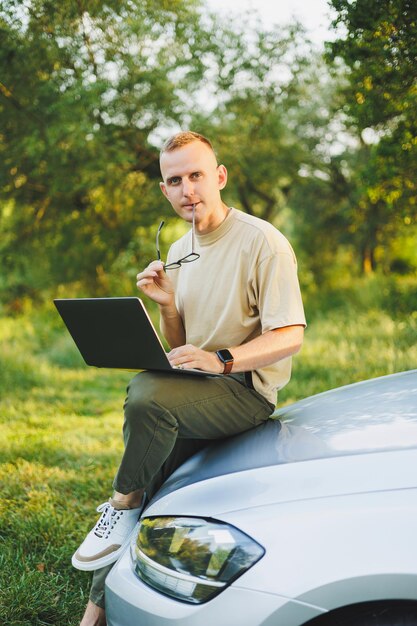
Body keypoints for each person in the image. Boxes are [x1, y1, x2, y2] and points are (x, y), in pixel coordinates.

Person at [76, 130, 306, 626]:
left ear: (219, 176)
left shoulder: (263, 241)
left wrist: (221, 359)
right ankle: (94, 612)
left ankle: (120, 502)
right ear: (164, 190)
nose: (187, 190)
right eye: (174, 180)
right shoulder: (179, 248)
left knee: (144, 395)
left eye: (196, 175)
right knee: (153, 473)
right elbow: (180, 339)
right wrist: (166, 306)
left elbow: (289, 335)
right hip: (195, 386)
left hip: (244, 390)